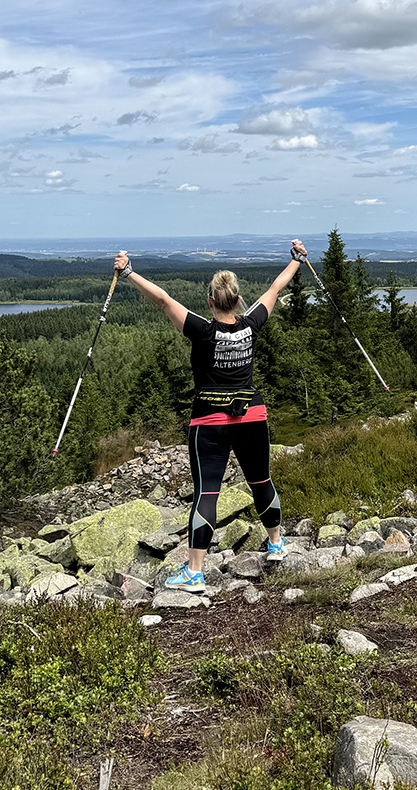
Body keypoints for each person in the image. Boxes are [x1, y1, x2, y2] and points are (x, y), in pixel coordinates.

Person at [113, 240, 307, 593]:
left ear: (209, 302)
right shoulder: (252, 324)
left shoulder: (202, 331)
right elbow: (276, 287)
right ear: (236, 301)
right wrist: (297, 259)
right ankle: (277, 544)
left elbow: (162, 299)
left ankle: (195, 573)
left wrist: (128, 273)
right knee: (260, 480)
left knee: (207, 492)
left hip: (209, 423)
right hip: (252, 415)